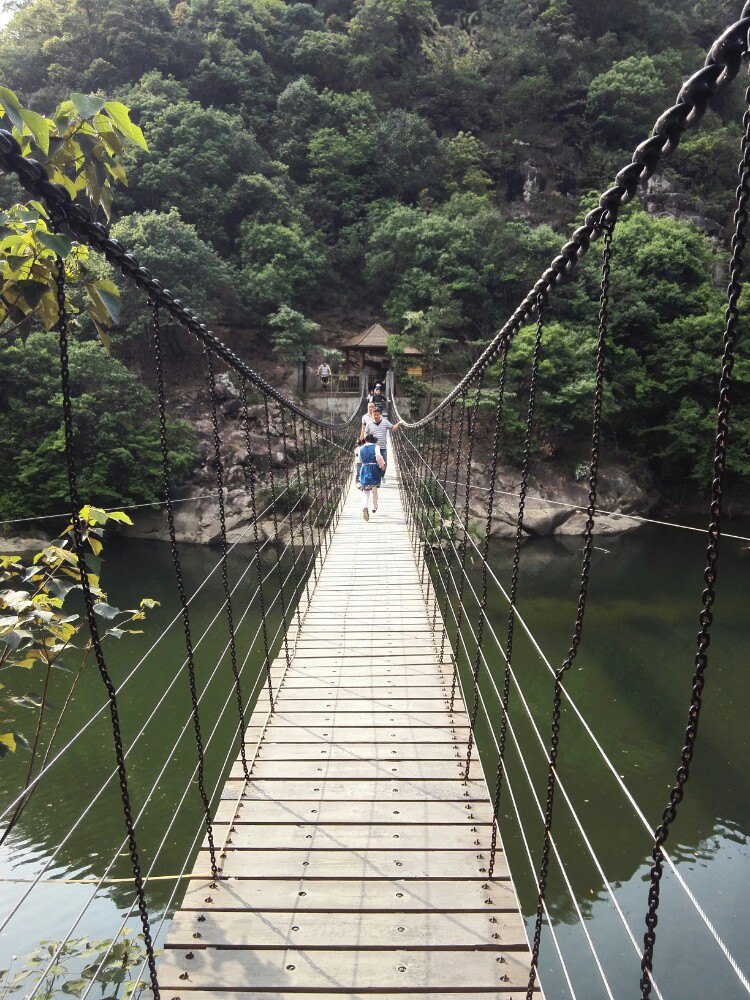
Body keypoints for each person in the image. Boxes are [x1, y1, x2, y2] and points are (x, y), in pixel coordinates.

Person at [363, 408, 402, 480]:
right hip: (372, 448)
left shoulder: (385, 422)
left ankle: (382, 476)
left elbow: (393, 428)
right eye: (374, 415)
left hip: (383, 447)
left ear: (380, 415)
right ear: (372, 415)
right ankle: (375, 476)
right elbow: (365, 434)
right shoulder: (369, 424)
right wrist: (364, 442)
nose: (376, 416)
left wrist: (399, 424)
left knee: (384, 463)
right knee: (373, 463)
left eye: (377, 414)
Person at [356, 432, 385, 520]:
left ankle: (365, 507)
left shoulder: (360, 448)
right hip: (374, 469)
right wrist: (382, 465)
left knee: (365, 491)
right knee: (374, 490)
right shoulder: (376, 447)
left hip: (364, 469)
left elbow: (360, 460)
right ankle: (374, 507)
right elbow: (378, 456)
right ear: (374, 441)